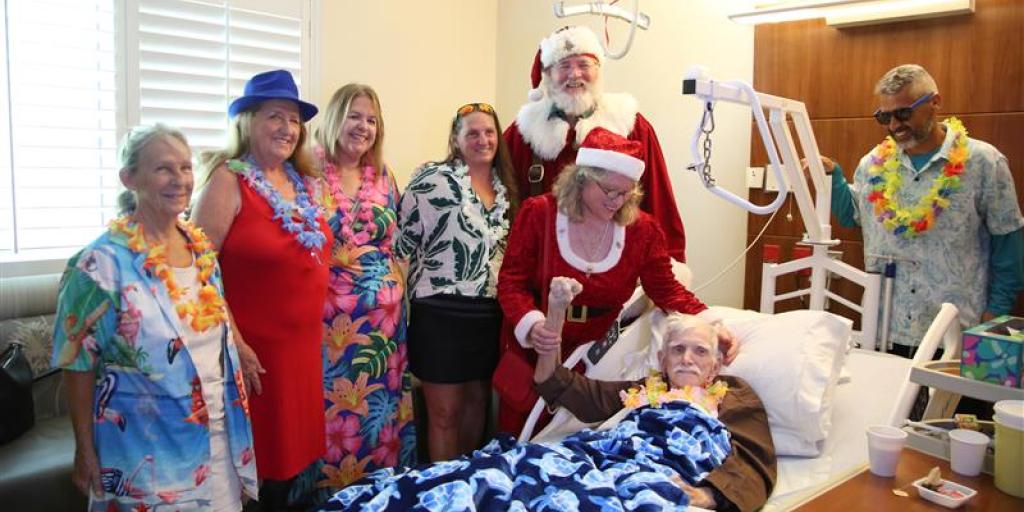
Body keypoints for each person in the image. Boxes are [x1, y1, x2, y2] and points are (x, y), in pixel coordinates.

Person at [320, 312, 775, 512]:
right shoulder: (646, 389)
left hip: (639, 472)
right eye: (678, 349)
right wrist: (548, 361)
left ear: (716, 363)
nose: (688, 359)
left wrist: (712, 495)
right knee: (488, 470)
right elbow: (588, 395)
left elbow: (754, 456)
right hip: (588, 456)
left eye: (700, 351)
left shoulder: (732, 396)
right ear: (662, 360)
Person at [52, 124, 257, 511]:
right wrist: (84, 449)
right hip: (145, 456)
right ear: (130, 178)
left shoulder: (202, 251)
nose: (179, 180)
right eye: (163, 168)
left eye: (185, 167)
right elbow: (76, 363)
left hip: (217, 442)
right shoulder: (99, 265)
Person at [495, 127, 735, 436]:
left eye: (627, 193)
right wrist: (532, 325)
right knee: (522, 430)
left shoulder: (642, 231)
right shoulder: (540, 214)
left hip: (595, 353)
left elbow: (666, 288)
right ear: (581, 178)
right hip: (537, 343)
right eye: (609, 191)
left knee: (575, 434)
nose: (617, 201)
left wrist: (712, 322)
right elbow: (511, 281)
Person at [191, 69, 331, 509]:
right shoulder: (227, 181)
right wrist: (235, 340)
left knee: (293, 469)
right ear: (246, 122)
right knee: (260, 470)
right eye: (274, 116)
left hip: (303, 349)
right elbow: (198, 271)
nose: (287, 129)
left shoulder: (302, 183)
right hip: (254, 354)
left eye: (294, 120)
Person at [821, 64, 1024, 356]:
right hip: (885, 331)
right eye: (884, 116)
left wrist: (994, 319)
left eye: (903, 113)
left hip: (956, 333)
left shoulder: (983, 163)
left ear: (934, 102)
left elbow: (1009, 249)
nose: (894, 126)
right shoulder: (872, 165)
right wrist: (833, 178)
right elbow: (854, 215)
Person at [294, 83, 416, 501]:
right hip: (328, 327)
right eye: (354, 116)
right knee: (330, 418)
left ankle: (378, 498)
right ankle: (328, 502)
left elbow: (399, 241)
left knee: (377, 421)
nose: (363, 127)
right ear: (334, 118)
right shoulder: (305, 171)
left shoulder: (384, 175)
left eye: (371, 119)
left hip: (383, 329)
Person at [394, 102, 520, 462]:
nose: (483, 140)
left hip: (488, 316)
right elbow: (401, 244)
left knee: (477, 407)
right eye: (473, 133)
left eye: (489, 132)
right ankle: (443, 491)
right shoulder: (431, 180)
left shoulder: (507, 190)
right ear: (455, 138)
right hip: (439, 314)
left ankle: (468, 485)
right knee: (445, 413)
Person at [504, 25, 687, 262]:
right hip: (542, 270)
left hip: (617, 269)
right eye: (564, 66)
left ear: (598, 69)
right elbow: (499, 200)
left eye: (583, 65)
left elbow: (658, 199)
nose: (574, 75)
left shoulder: (631, 126)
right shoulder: (523, 132)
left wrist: (669, 262)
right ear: (548, 74)